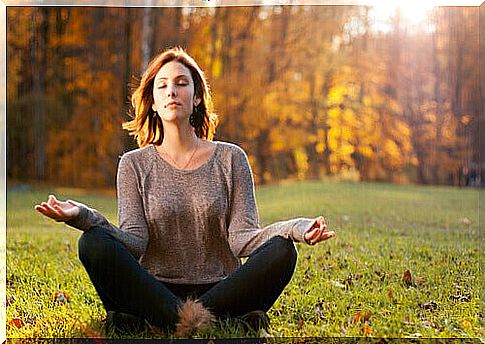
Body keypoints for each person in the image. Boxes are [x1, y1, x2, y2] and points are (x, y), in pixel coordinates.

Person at [34, 47, 336, 336]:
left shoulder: (231, 158)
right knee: (93, 243)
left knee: (283, 251)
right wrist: (81, 216)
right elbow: (134, 241)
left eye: (181, 83)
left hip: (222, 289)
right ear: (152, 101)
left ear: (196, 98)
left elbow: (244, 238)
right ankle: (203, 319)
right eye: (162, 85)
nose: (172, 91)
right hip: (153, 290)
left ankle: (161, 321)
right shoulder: (133, 164)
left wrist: (298, 228)